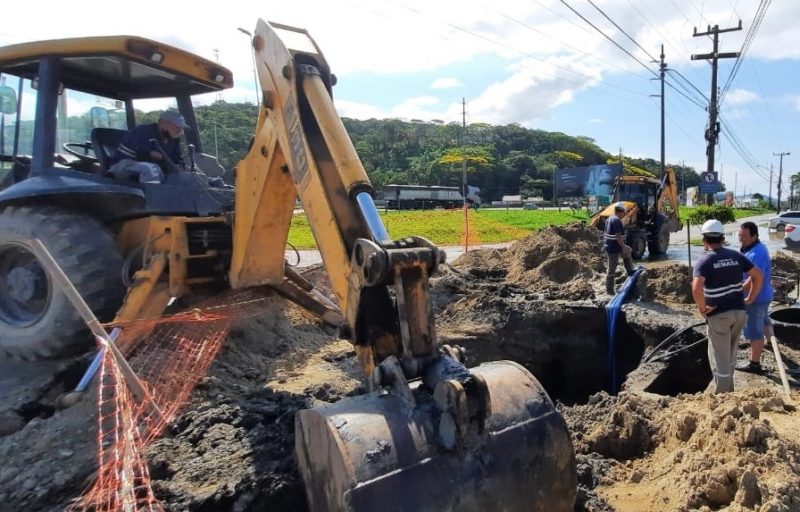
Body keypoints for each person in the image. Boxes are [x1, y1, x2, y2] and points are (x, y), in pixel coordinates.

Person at [691, 219, 763, 393]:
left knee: (718, 357)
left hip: (719, 316)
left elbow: (696, 287)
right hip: (739, 313)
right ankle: (729, 390)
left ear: (704, 240)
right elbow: (758, 276)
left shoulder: (704, 260)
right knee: (730, 352)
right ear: (722, 238)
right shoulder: (735, 255)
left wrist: (702, 309)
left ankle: (723, 397)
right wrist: (751, 298)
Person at [736, 221, 774, 374]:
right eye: (739, 235)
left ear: (754, 236)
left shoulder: (756, 253)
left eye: (744, 236)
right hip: (764, 295)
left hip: (756, 299)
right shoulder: (753, 248)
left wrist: (745, 294)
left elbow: (755, 278)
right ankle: (772, 342)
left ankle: (754, 364)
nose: (741, 239)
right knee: (765, 321)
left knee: (754, 332)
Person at [109, 110, 188, 183]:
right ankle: (153, 196)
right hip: (124, 164)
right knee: (151, 169)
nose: (181, 132)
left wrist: (182, 168)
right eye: (177, 127)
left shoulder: (173, 139)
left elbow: (175, 159)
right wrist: (161, 158)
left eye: (182, 128)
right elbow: (143, 154)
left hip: (152, 165)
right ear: (164, 123)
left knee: (183, 174)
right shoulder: (142, 131)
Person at [603, 201, 634, 294]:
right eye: (624, 213)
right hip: (613, 247)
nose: (624, 215)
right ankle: (609, 289)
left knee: (628, 252)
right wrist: (623, 247)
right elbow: (618, 236)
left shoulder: (610, 218)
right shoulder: (616, 220)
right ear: (620, 211)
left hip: (611, 245)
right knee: (612, 267)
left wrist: (625, 248)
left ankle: (630, 272)